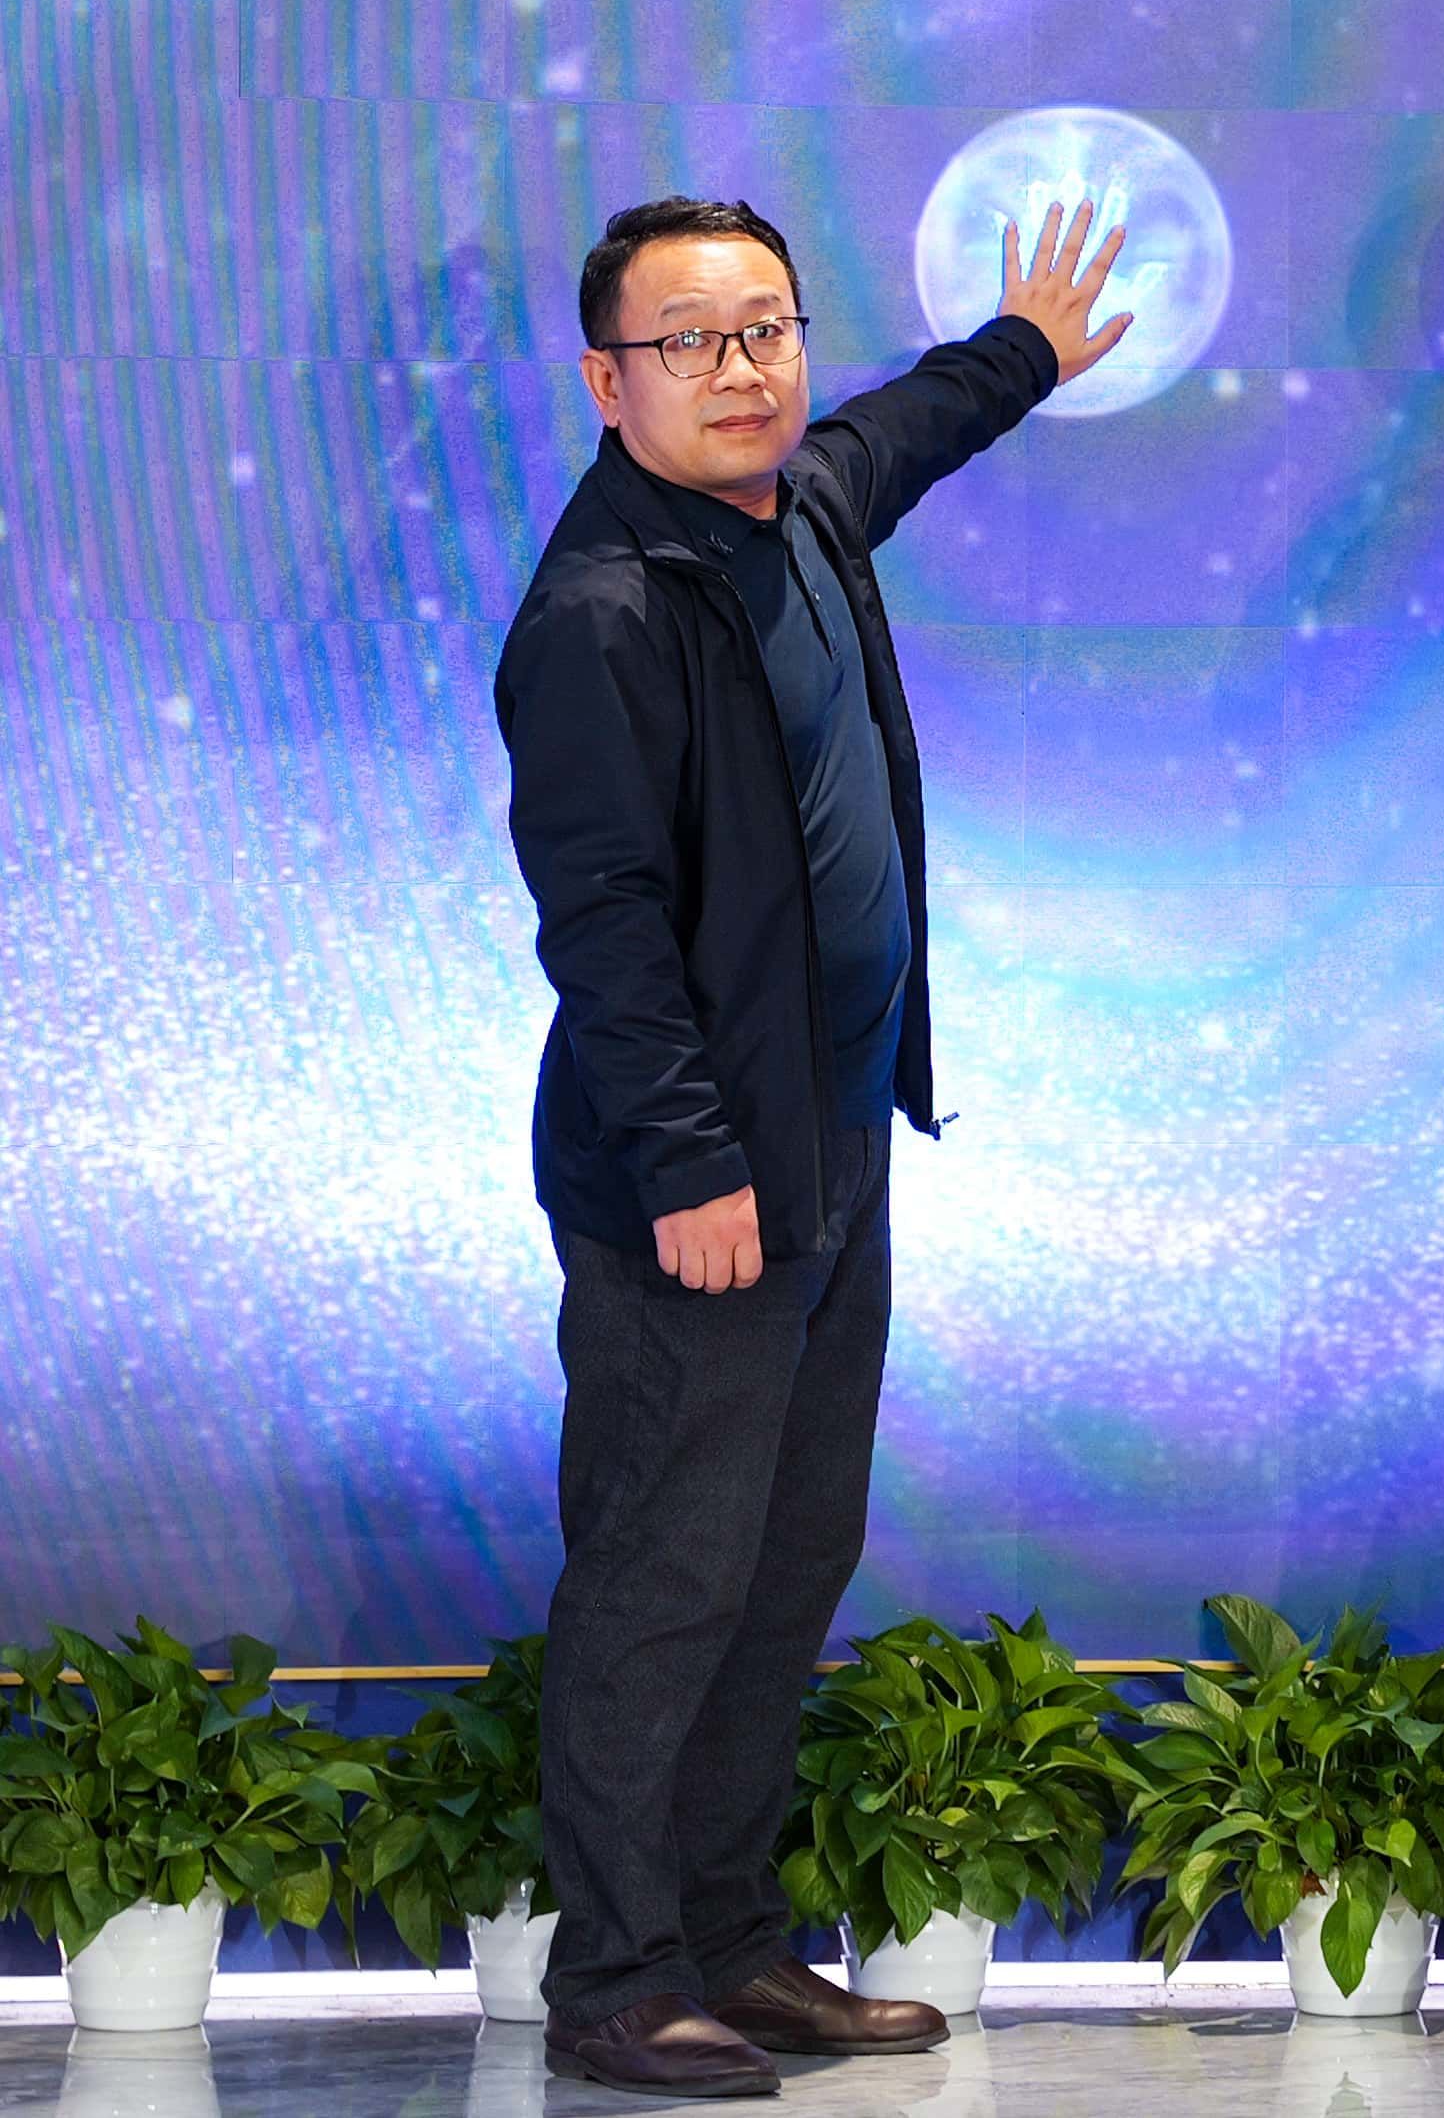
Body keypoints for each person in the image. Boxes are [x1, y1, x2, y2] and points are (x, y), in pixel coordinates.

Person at [495, 193, 1129, 2101]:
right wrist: (691, 1166)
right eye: (690, 340)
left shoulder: (807, 507)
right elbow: (603, 923)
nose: (741, 368)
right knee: (665, 1572)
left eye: (766, 326)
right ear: (607, 379)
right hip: (693, 1184)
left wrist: (1025, 347)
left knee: (786, 1560)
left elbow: (903, 428)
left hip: (835, 1141)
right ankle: (617, 1979)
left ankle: (730, 1941)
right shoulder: (602, 611)